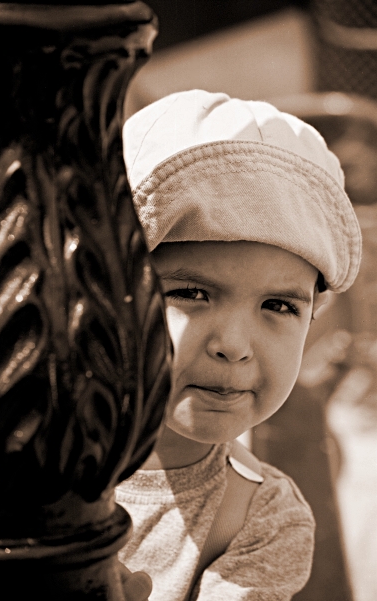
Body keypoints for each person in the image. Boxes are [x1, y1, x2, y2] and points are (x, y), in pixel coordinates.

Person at [115, 90, 362, 601]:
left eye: (278, 306)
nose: (233, 345)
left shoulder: (263, 522)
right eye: (191, 294)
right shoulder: (19, 460)